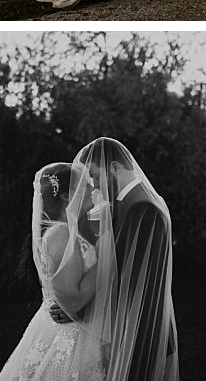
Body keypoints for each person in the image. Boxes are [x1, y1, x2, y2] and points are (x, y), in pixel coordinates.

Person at [47, 138, 179, 381]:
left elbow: (135, 286)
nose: (93, 185)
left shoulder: (142, 208)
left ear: (116, 168)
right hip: (126, 328)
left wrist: (80, 312)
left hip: (139, 330)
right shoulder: (128, 205)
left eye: (96, 176)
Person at [0, 162, 107, 380]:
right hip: (67, 336)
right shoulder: (61, 235)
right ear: (66, 196)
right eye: (85, 185)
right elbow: (74, 302)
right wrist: (104, 258)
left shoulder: (65, 232)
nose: (92, 189)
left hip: (78, 328)